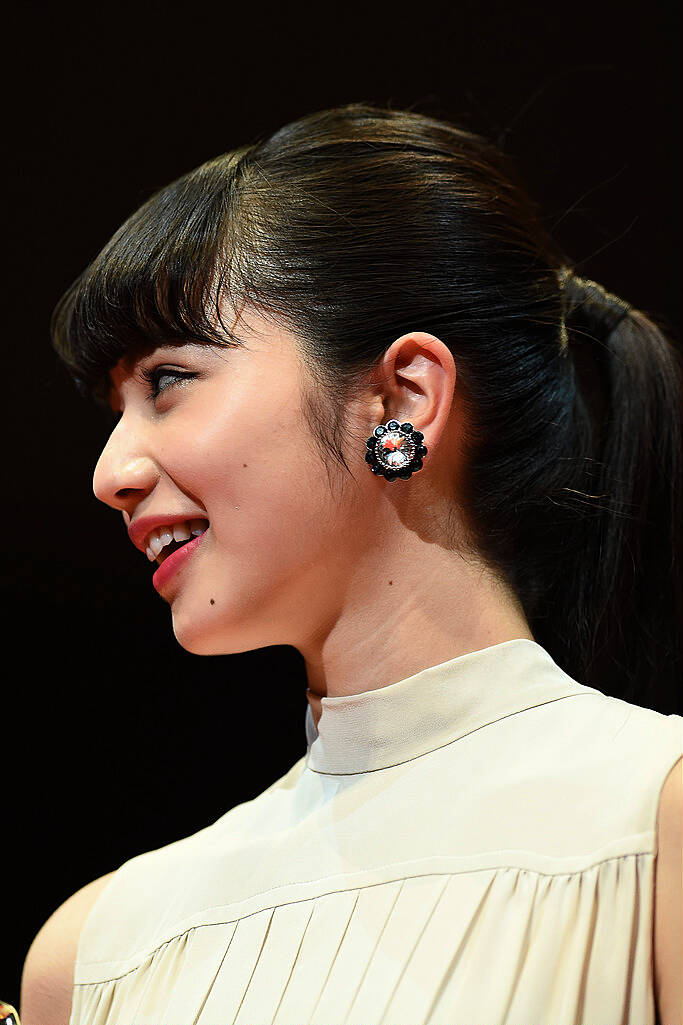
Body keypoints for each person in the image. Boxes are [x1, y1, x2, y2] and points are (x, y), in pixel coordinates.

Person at [20, 103, 681, 1025]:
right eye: (116, 406)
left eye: (167, 380)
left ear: (401, 399)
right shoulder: (98, 953)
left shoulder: (654, 823)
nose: (111, 473)